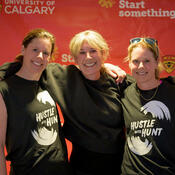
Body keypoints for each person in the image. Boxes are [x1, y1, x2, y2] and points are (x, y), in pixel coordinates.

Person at [0, 30, 130, 175]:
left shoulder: (117, 80)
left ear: (103, 53)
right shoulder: (63, 76)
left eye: (93, 51)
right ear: (74, 58)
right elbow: (25, 66)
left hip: (117, 165)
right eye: (81, 52)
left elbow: (146, 86)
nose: (88, 57)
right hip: (80, 167)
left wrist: (104, 67)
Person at [0, 28, 71, 175]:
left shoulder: (47, 82)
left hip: (61, 170)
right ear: (23, 49)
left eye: (46, 53)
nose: (40, 56)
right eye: (35, 50)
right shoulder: (4, 90)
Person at [121, 37, 175, 174]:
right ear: (129, 63)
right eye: (135, 61)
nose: (141, 66)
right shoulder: (125, 93)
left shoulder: (171, 91)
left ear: (157, 62)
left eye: (147, 61)